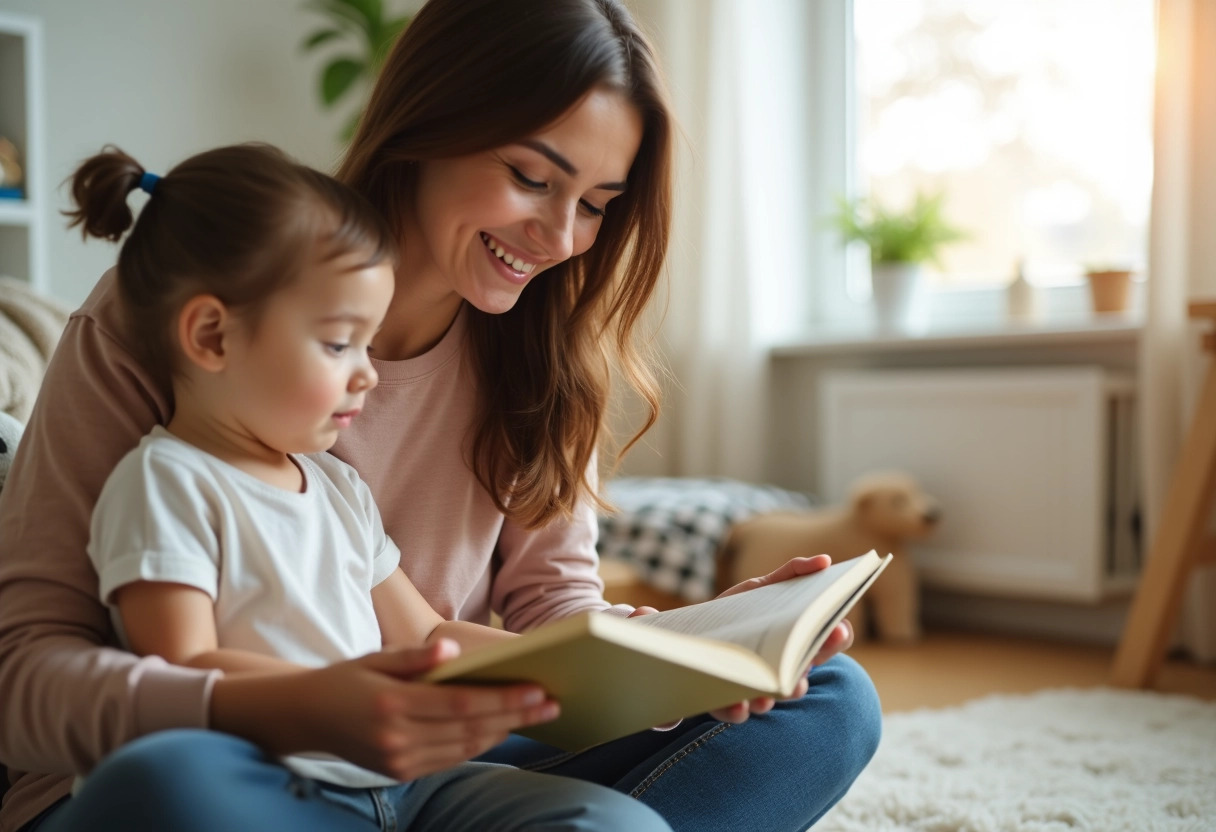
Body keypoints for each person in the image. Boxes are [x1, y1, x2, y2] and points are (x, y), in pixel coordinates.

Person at [0, 0, 882, 830]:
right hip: (215, 766)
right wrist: (309, 706)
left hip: (420, 762)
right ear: (428, 124)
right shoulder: (187, 315)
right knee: (170, 786)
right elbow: (24, 684)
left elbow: (544, 617)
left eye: (597, 208)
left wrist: (696, 652)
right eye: (532, 177)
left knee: (830, 703)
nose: (562, 236)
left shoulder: (542, 353)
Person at [63, 143, 671, 831]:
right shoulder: (163, 485)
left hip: (399, 786)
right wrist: (335, 699)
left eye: (367, 341)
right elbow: (181, 665)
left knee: (622, 825)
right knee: (164, 785)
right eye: (337, 344)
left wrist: (601, 665)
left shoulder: (335, 487)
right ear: (211, 335)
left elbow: (432, 635)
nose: (368, 373)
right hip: (270, 785)